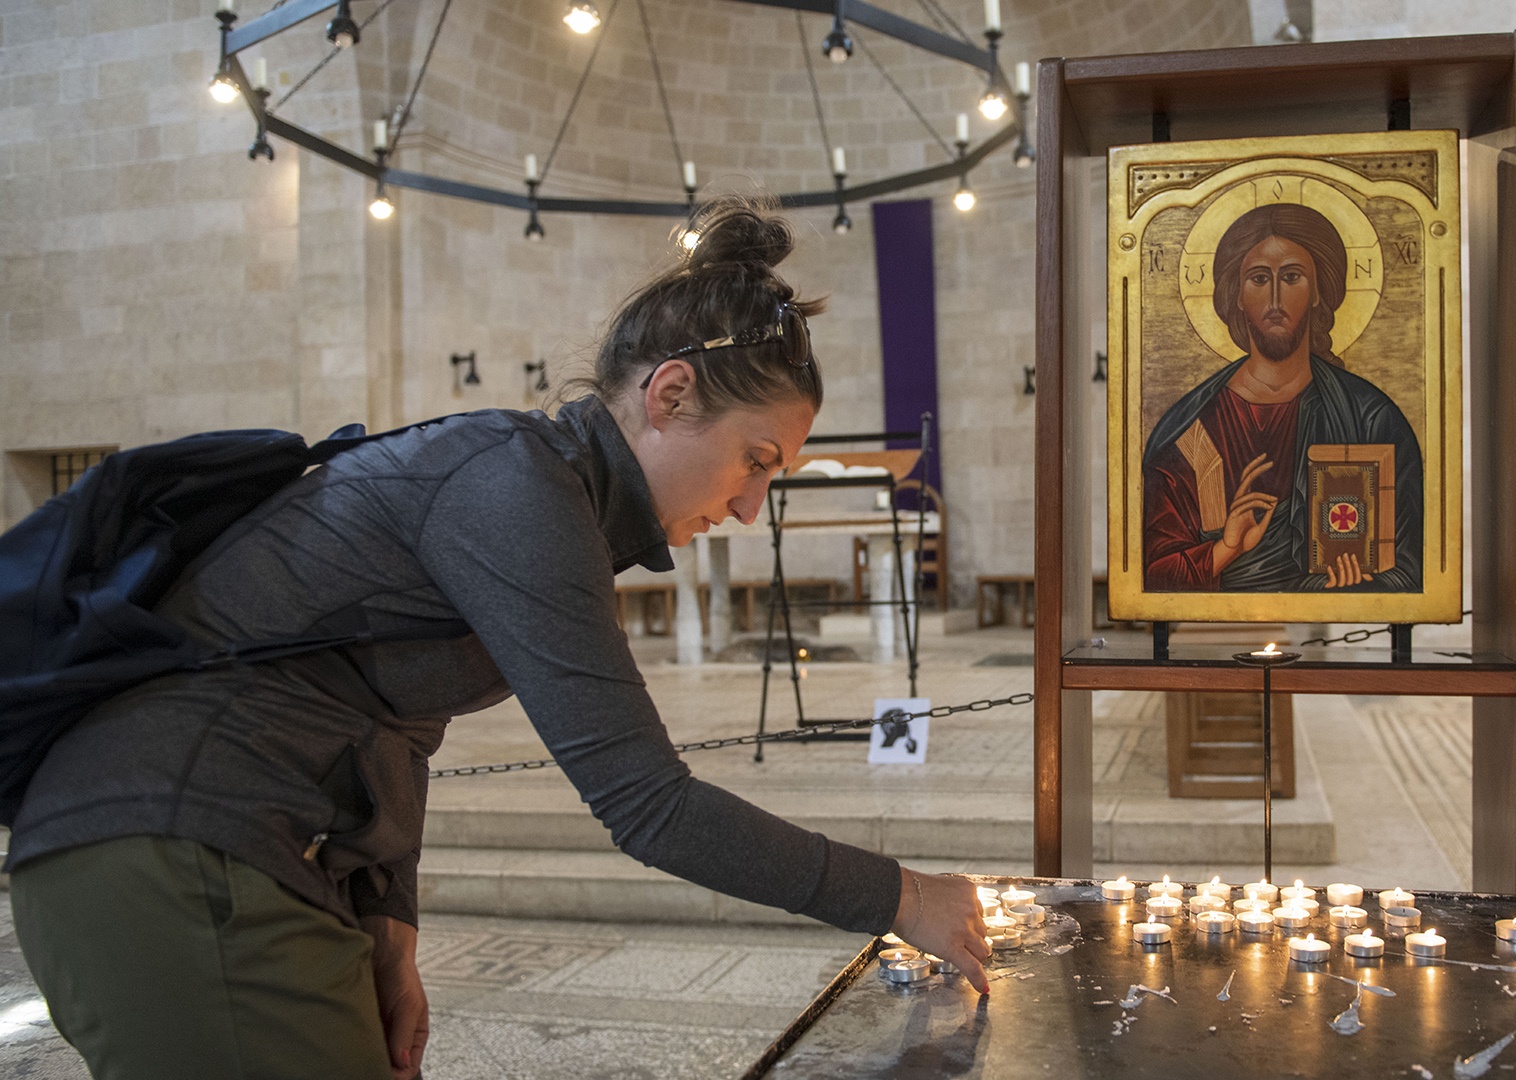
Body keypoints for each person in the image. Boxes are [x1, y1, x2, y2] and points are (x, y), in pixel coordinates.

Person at [5, 201, 990, 1080]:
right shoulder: (517, 490)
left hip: (234, 853)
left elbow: (396, 711)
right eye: (753, 461)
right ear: (671, 395)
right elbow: (648, 806)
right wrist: (899, 894)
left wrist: (390, 921)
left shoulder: (542, 487)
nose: (745, 507)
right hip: (171, 852)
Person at [1141, 202, 1423, 594]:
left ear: (1318, 292)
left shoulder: (1370, 418)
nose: (1275, 297)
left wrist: (1354, 591)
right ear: (1236, 295)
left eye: (1292, 277)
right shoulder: (1191, 431)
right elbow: (1152, 575)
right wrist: (1225, 549)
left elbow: (1411, 572)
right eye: (1258, 279)